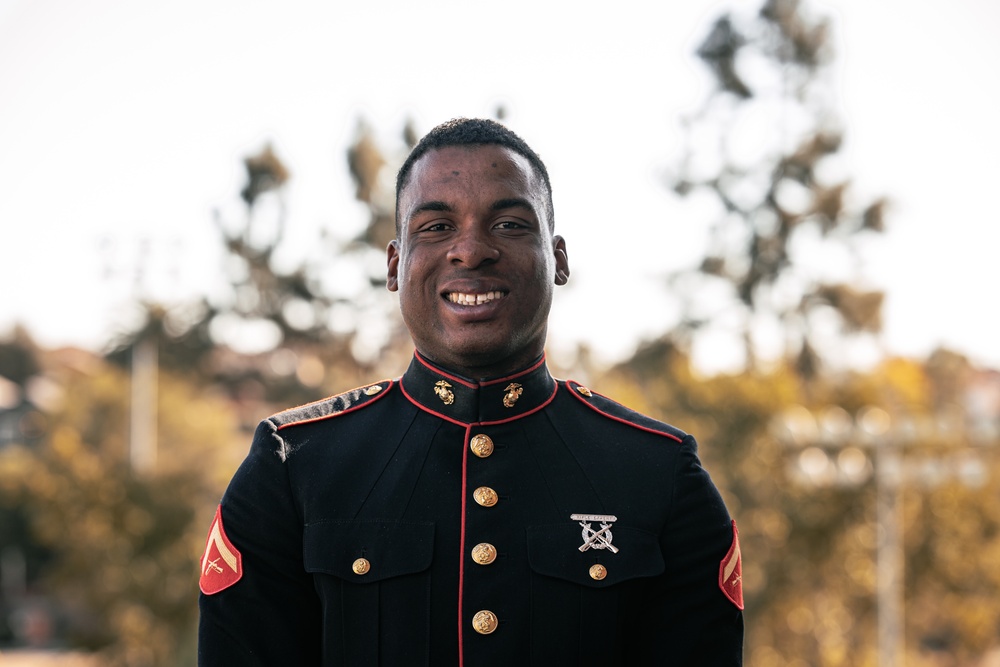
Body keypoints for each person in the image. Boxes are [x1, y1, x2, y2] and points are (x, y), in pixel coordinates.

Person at [198, 118, 744, 666]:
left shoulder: (659, 475)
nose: (471, 250)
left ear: (558, 259)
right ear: (394, 265)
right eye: (436, 227)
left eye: (509, 224)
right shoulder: (293, 466)